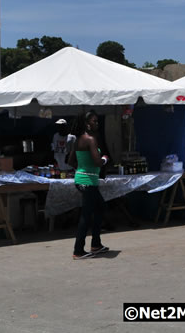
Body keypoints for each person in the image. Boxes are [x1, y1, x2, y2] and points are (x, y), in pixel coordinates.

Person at [72, 110, 110, 260]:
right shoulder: (90, 140)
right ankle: (78, 250)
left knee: (100, 208)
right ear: (87, 124)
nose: (97, 124)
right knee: (86, 216)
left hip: (84, 180)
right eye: (94, 121)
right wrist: (105, 158)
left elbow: (71, 161)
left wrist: (82, 169)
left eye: (97, 121)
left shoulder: (78, 140)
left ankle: (96, 244)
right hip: (87, 182)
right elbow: (97, 162)